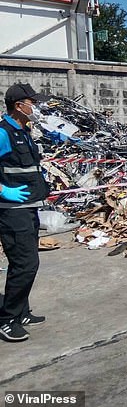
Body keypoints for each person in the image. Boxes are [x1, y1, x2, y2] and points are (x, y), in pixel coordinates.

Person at [0, 83, 50, 342]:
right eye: (32, 102)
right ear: (19, 106)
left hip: (29, 208)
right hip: (11, 210)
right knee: (25, 264)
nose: (36, 107)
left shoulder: (24, 131)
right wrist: (3, 191)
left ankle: (21, 311)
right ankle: (7, 320)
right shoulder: (3, 133)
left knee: (25, 263)